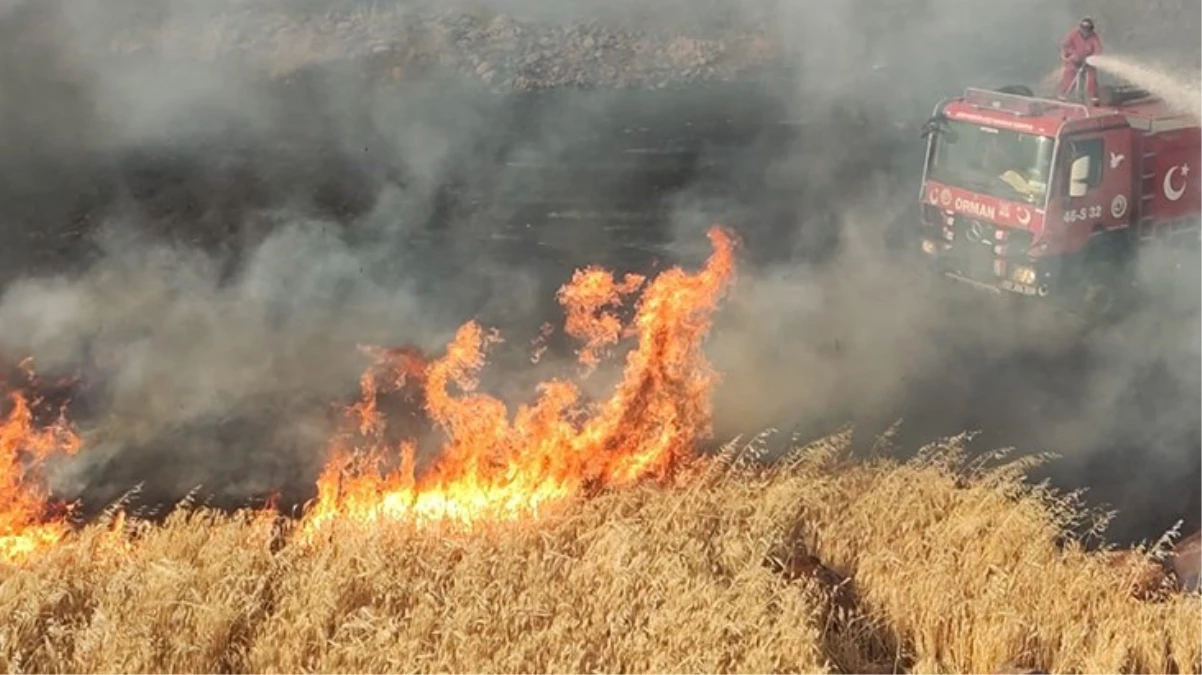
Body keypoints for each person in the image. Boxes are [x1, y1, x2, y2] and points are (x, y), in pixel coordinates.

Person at [1058, 17, 1104, 103]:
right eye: (1084, 29)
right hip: (1073, 60)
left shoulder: (1094, 37)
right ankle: (1063, 95)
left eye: (1088, 30)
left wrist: (1092, 58)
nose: (1086, 32)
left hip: (1087, 61)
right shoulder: (1072, 34)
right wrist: (1072, 55)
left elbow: (1098, 49)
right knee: (1069, 75)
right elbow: (1065, 46)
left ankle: (1094, 97)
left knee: (1091, 77)